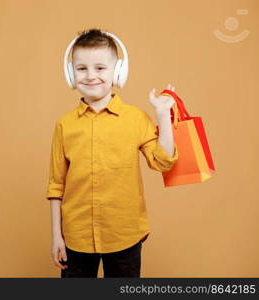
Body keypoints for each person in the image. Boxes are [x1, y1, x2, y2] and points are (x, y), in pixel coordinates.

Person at [45, 28, 179, 278]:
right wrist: (56, 236)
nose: (91, 76)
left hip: (124, 235)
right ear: (70, 73)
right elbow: (56, 185)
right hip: (76, 238)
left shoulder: (136, 118)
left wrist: (162, 115)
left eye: (100, 68)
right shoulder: (64, 124)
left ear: (118, 71)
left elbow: (163, 162)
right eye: (82, 68)